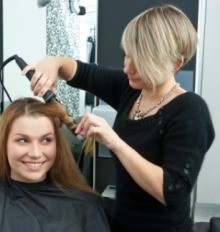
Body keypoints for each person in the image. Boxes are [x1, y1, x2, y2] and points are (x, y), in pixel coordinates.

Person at [22, 4, 215, 232]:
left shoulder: (191, 110)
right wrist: (53, 62)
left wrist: (114, 142)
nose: (127, 68)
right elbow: (81, 72)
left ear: (176, 64)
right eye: (127, 55)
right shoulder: (131, 89)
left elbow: (172, 192)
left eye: (141, 61)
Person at [0, 98, 111, 232]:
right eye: (23, 140)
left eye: (46, 140)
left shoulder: (86, 206)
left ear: (57, 145)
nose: (36, 153)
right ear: (4, 144)